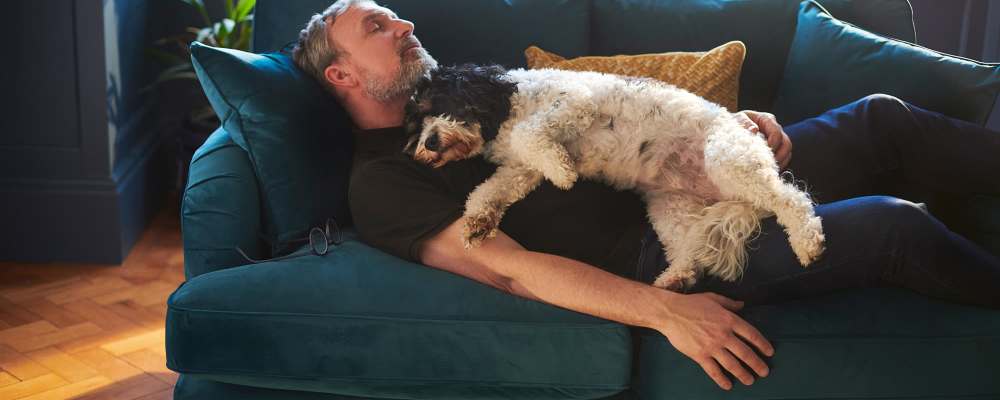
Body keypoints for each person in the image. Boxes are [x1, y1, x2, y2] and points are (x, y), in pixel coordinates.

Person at [291, 0, 1000, 392]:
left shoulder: (464, 88)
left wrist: (735, 124)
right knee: (889, 228)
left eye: (395, 14)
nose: (405, 25)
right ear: (342, 77)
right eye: (376, 28)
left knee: (880, 117)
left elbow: (613, 109)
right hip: (660, 239)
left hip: (681, 157)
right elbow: (506, 267)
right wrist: (665, 310)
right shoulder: (382, 179)